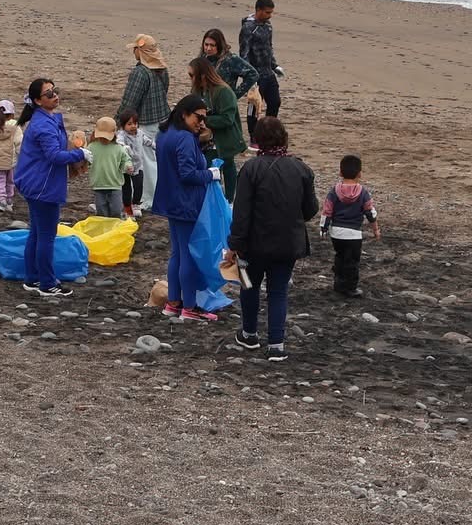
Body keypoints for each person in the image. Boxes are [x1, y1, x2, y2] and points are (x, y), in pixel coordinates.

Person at [226, 116, 318, 360]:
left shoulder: (250, 170)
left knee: (249, 286)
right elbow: (310, 210)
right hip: (288, 243)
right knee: (278, 291)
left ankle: (249, 333)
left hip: (254, 245)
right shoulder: (301, 169)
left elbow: (241, 212)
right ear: (284, 139)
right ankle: (276, 344)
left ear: (257, 141)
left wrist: (234, 245)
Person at [11, 77, 88, 299]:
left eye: (55, 91)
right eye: (49, 94)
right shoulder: (44, 124)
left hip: (36, 183)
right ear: (37, 100)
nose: (55, 96)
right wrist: (80, 154)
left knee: (36, 232)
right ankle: (46, 283)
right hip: (43, 186)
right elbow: (54, 156)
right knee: (46, 235)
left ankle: (32, 277)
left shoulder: (44, 119)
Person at [152, 94, 215, 321]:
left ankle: (173, 303)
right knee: (188, 254)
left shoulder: (165, 134)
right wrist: (210, 174)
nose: (202, 123)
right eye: (198, 117)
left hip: (170, 201)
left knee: (177, 253)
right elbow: (188, 174)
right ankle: (189, 307)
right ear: (184, 114)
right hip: (186, 203)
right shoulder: (186, 139)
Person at [322, 155, 379, 298]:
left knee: (340, 256)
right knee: (352, 261)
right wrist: (376, 230)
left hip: (337, 233)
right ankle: (350, 288)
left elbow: (327, 210)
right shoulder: (363, 193)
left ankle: (338, 283)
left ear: (340, 173)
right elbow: (370, 212)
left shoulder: (334, 191)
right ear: (360, 174)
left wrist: (323, 228)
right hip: (354, 234)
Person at [189, 56, 245, 201]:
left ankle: (229, 201)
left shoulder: (223, 92)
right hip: (206, 140)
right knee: (212, 169)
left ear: (202, 75)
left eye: (191, 75)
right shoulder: (197, 91)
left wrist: (204, 120)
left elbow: (228, 119)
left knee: (227, 166)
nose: (190, 79)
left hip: (223, 139)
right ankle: (216, 200)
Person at [117, 34, 170, 135]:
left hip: (145, 124)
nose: (133, 51)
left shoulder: (140, 72)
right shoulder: (163, 69)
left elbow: (129, 102)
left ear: (140, 51)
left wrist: (118, 121)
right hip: (165, 120)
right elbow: (165, 91)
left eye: (135, 48)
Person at [239, 0, 281, 120]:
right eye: (267, 12)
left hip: (268, 72)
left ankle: (269, 128)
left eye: (271, 12)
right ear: (258, 10)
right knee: (255, 105)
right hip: (255, 74)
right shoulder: (248, 28)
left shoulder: (268, 26)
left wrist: (275, 65)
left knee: (275, 102)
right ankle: (253, 135)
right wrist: (249, 77)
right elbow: (244, 53)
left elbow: (269, 47)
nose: (270, 15)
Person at [87, 116, 130, 218]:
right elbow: (85, 159)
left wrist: (128, 166)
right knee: (101, 211)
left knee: (116, 210)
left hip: (115, 185)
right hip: (98, 185)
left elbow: (126, 160)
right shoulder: (92, 147)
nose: (104, 139)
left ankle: (115, 227)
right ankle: (105, 229)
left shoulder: (118, 148)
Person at [202, 28, 257, 100]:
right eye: (206, 44)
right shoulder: (203, 58)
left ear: (219, 45)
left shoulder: (230, 59)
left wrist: (235, 95)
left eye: (212, 45)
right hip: (205, 103)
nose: (208, 48)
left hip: (224, 104)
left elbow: (252, 74)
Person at [115, 110, 150, 218]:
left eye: (135, 123)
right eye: (129, 124)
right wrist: (124, 147)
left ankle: (136, 205)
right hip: (125, 167)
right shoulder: (122, 135)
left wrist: (156, 146)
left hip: (138, 166)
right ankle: (127, 208)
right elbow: (119, 142)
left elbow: (147, 141)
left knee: (139, 186)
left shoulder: (140, 133)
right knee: (126, 188)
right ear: (123, 125)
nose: (133, 126)